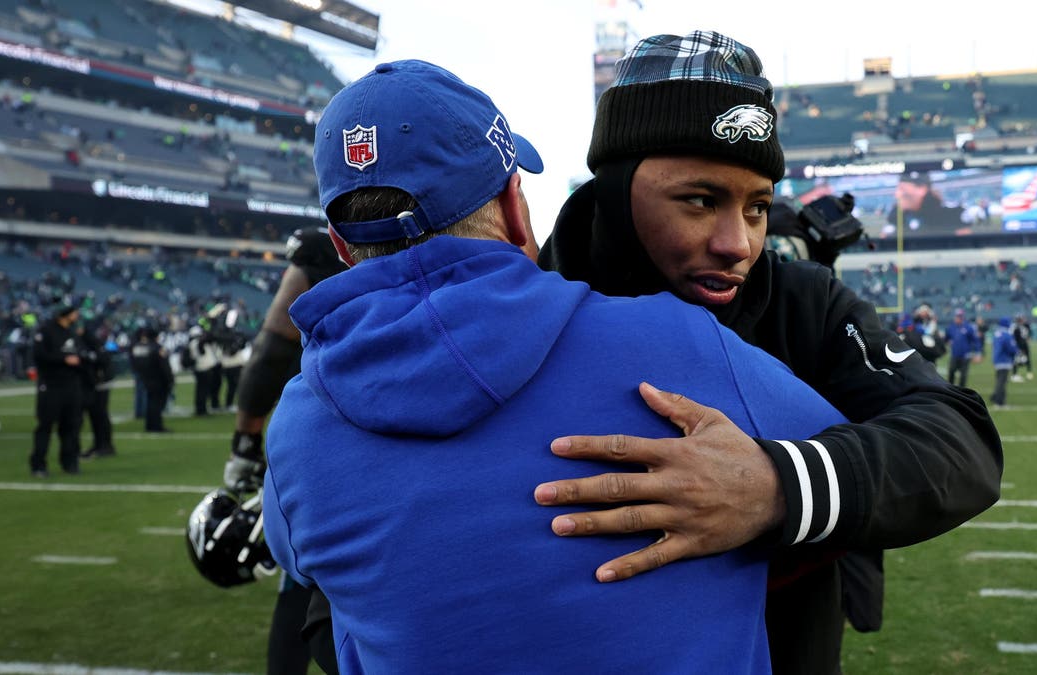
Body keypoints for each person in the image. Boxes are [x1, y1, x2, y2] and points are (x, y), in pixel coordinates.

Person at [261, 59, 850, 674]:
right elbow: (863, 463)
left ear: (339, 243)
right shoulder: (673, 340)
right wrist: (771, 488)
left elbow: (308, 570)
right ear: (516, 208)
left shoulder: (299, 426)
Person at [536, 31, 1003, 674]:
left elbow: (962, 443)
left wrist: (775, 487)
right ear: (616, 189)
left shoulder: (802, 300)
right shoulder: (529, 305)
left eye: (758, 208)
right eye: (701, 200)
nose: (739, 245)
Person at [220, 226, 346, 675]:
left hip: (336, 446)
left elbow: (272, 351)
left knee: (305, 589)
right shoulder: (482, 235)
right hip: (456, 450)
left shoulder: (325, 250)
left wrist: (245, 441)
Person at [29, 303, 85, 477]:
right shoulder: (46, 331)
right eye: (74, 312)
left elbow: (79, 353)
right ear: (64, 314)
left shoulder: (72, 332)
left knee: (72, 426)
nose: (76, 315)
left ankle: (70, 462)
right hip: (51, 385)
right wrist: (64, 359)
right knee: (45, 425)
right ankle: (38, 465)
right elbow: (39, 355)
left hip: (71, 385)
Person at [78, 320, 116, 458]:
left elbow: (102, 360)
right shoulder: (88, 342)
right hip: (94, 383)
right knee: (96, 416)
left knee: (100, 415)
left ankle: (105, 445)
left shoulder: (93, 342)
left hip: (100, 384)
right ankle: (99, 445)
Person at [885, 170, 966, 234]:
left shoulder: (952, 216)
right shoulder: (896, 218)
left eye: (902, 189)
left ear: (921, 189)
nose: (897, 194)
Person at [128, 326, 173, 432]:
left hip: (145, 377)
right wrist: (170, 379)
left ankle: (149, 424)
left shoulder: (139, 347)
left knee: (150, 401)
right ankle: (156, 425)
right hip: (158, 378)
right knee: (157, 403)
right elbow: (164, 365)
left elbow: (134, 362)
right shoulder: (157, 348)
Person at [944, 308, 982, 388]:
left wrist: (978, 353)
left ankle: (962, 392)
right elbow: (946, 339)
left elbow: (975, 340)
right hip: (954, 354)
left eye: (960, 316)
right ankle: (950, 389)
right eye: (957, 316)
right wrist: (947, 342)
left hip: (965, 355)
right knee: (951, 372)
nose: (958, 318)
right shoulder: (951, 327)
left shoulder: (968, 327)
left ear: (963, 317)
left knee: (963, 375)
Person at [187, 325, 220, 416]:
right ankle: (201, 410)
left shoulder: (193, 343)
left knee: (201, 391)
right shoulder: (197, 343)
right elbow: (203, 348)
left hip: (201, 368)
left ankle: (201, 408)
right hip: (203, 368)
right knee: (203, 391)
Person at [989, 317, 1018, 408]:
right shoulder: (1006, 335)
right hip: (1004, 360)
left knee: (999, 380)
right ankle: (999, 401)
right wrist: (1017, 351)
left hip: (997, 360)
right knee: (1002, 382)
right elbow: (1011, 348)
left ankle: (995, 397)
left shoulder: (997, 334)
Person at [1010, 314, 1033, 382]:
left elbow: (1029, 333)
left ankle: (1029, 372)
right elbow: (1013, 335)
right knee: (1016, 359)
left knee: (1027, 358)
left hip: (1024, 344)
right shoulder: (1015, 326)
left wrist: (1028, 338)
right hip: (1017, 344)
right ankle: (1014, 374)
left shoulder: (1026, 325)